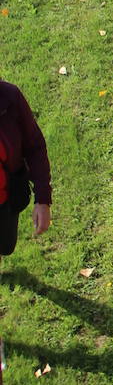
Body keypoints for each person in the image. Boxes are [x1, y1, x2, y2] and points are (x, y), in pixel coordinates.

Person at [0, 79, 52, 258]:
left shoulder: (9, 96)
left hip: (6, 201)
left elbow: (34, 147)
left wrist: (42, 200)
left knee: (6, 246)